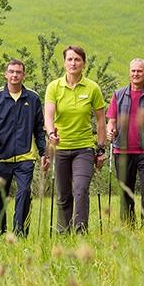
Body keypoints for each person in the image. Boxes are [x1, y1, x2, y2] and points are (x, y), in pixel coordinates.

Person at [44, 45, 106, 233]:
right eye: (70, 59)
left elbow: (101, 120)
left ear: (83, 63)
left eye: (77, 59)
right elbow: (48, 115)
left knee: (80, 189)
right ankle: (63, 232)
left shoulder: (92, 88)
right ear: (64, 63)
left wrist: (101, 148)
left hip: (84, 148)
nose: (73, 63)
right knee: (63, 194)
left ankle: (80, 232)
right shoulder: (54, 87)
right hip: (61, 147)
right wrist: (50, 133)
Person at [0, 59, 48, 236]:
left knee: (24, 193)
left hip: (25, 157)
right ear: (5, 74)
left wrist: (44, 153)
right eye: (11, 71)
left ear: (23, 75)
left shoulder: (33, 98)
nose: (14, 75)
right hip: (1, 156)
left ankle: (20, 233)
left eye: (18, 72)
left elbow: (39, 128)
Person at [106, 58, 144, 225]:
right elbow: (111, 119)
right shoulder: (118, 94)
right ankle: (128, 226)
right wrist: (110, 130)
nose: (136, 74)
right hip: (122, 150)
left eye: (139, 71)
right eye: (133, 71)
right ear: (129, 72)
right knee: (125, 192)